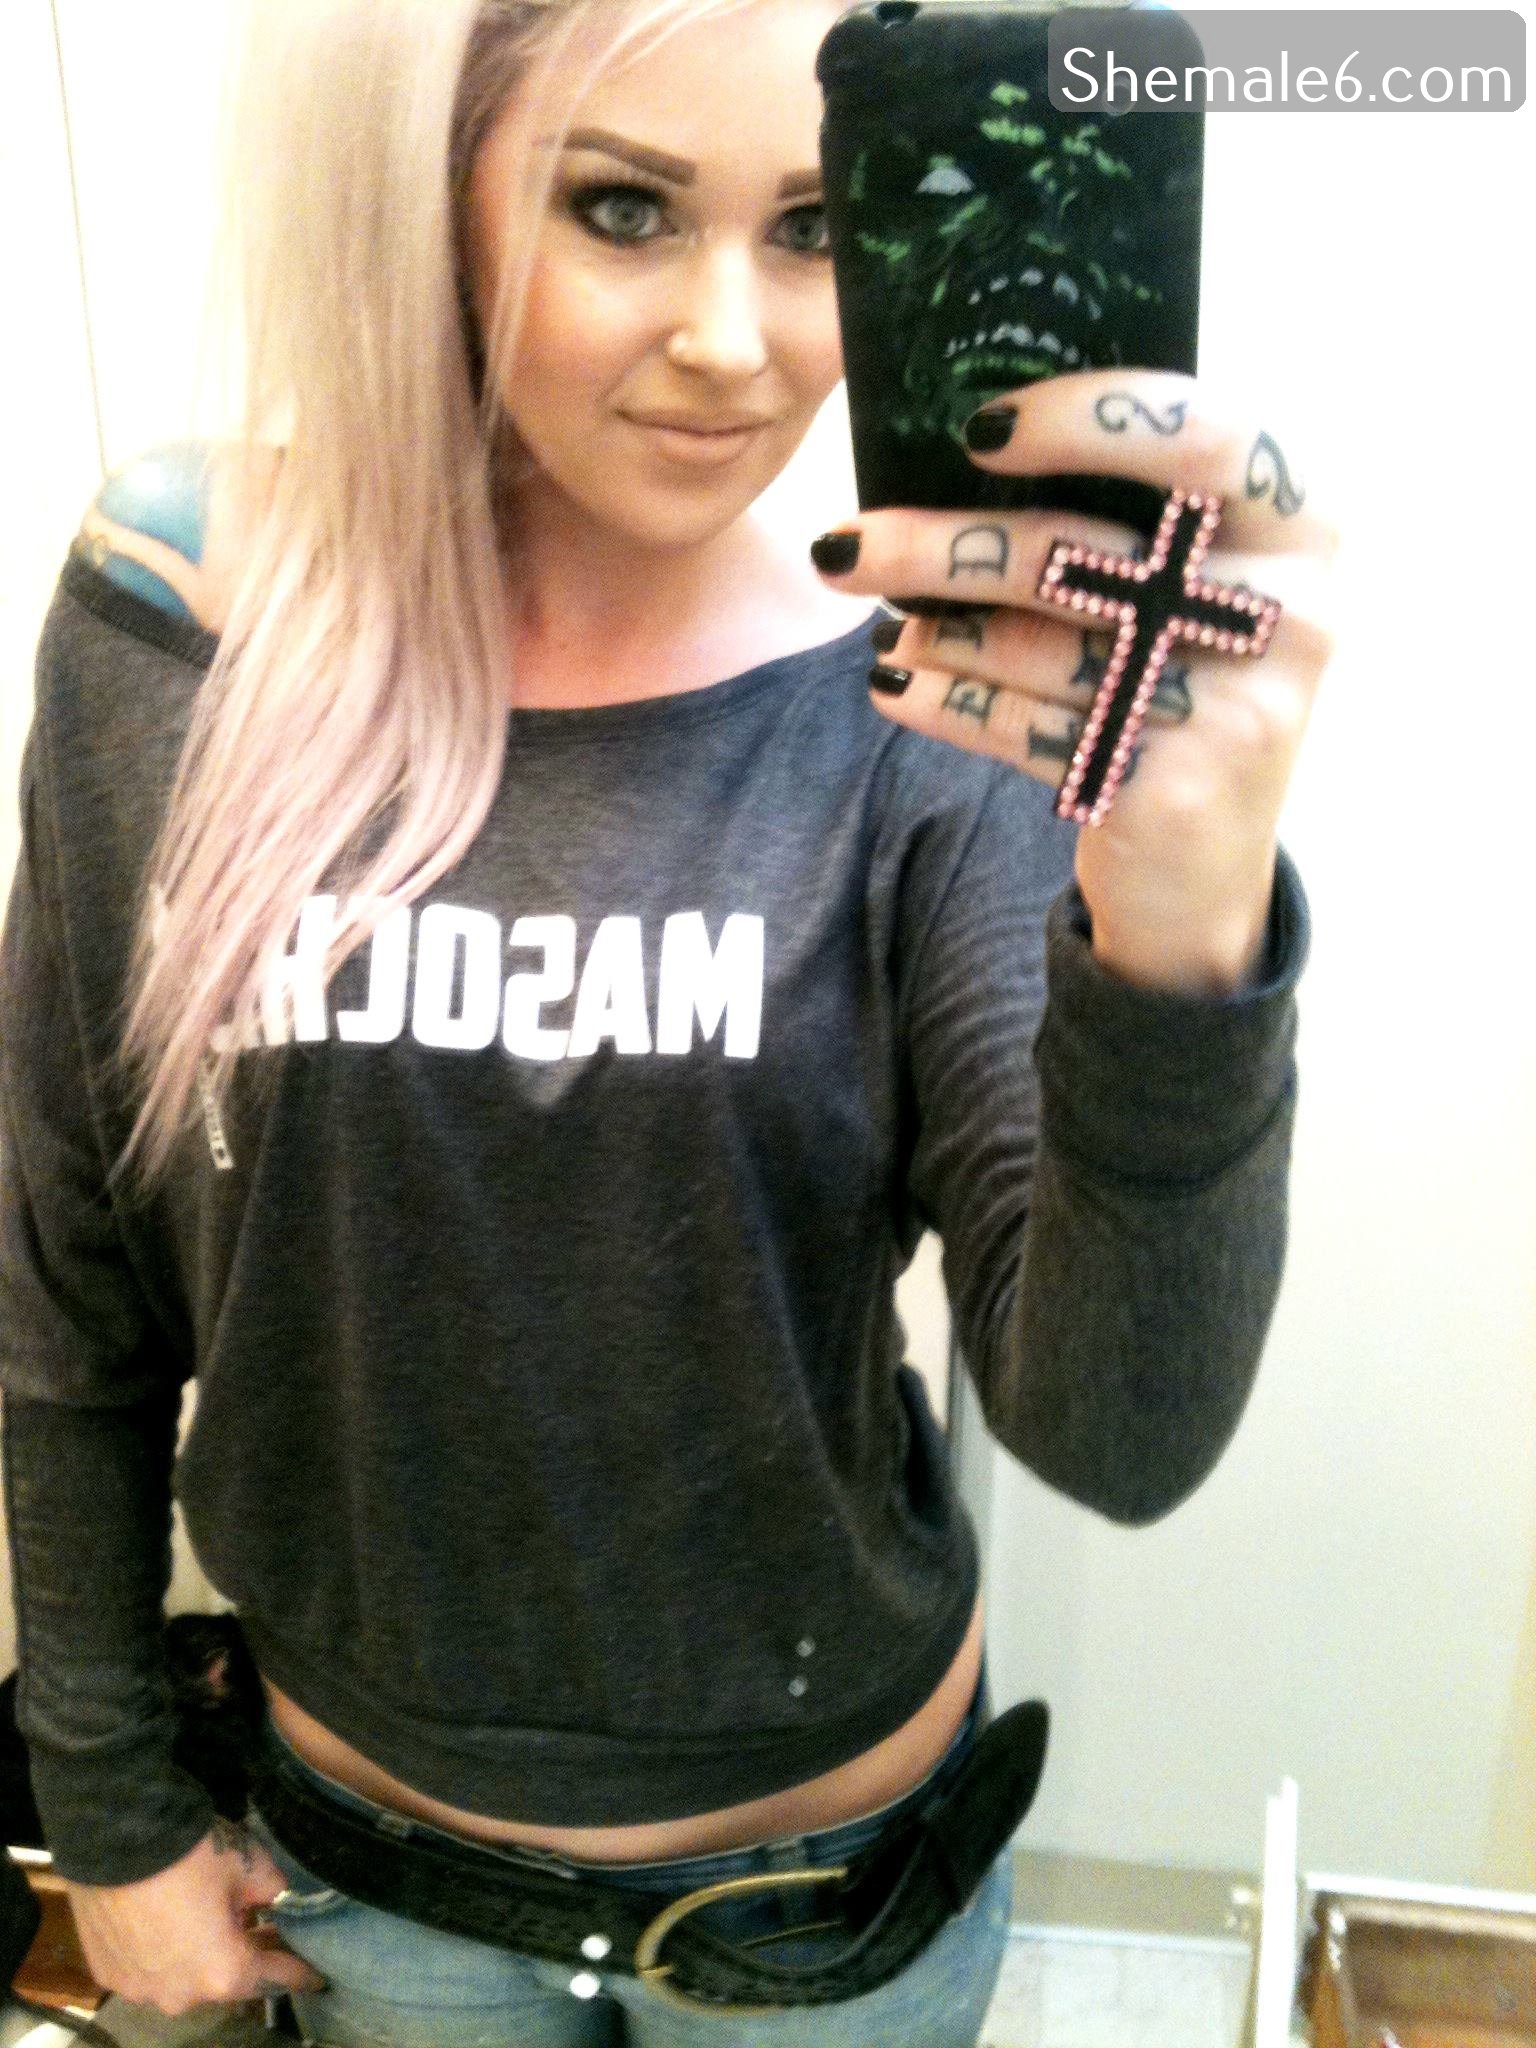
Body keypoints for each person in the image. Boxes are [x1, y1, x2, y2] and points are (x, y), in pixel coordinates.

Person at [0, 0, 1334, 2041]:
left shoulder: (934, 694)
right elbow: (68, 1288)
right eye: (623, 209)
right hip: (368, 1888)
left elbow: (1115, 1429)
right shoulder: (174, 628)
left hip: (832, 1914)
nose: (738, 342)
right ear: (428, 195)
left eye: (816, 228)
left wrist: (1180, 927)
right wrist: (105, 1811)